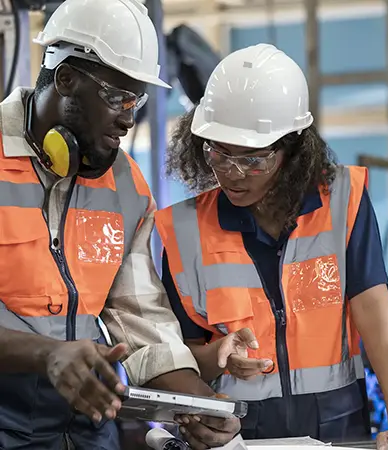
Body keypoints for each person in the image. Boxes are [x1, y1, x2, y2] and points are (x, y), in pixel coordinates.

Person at [155, 43, 388, 450]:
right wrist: (218, 355)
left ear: (293, 149)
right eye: (218, 152)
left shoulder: (344, 200)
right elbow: (178, 356)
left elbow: (372, 310)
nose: (232, 173)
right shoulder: (182, 230)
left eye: (252, 158)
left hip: (340, 423)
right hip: (237, 432)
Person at [0, 0, 239, 448]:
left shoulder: (126, 184)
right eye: (118, 97)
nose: (129, 118)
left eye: (138, 100)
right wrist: (47, 356)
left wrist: (201, 407)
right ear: (67, 79)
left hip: (88, 433)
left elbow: (142, 320)